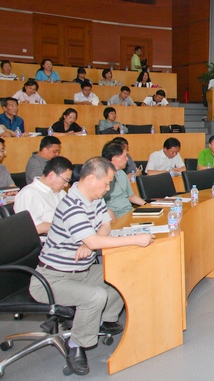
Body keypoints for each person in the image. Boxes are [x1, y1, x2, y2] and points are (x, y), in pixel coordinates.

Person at [28, 157, 154, 376]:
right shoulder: (72, 205)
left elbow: (106, 224)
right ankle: (76, 344)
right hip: (52, 278)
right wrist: (135, 239)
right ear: (90, 179)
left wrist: (90, 241)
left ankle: (104, 320)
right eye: (106, 183)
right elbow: (96, 241)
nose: (108, 188)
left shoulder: (94, 199)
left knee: (123, 273)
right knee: (95, 296)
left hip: (81, 270)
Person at [14, 156, 73, 235]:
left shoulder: (60, 192)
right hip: (46, 239)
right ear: (51, 175)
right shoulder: (29, 194)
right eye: (65, 180)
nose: (66, 185)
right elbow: (32, 227)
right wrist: (63, 226)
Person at [102, 140, 146, 219]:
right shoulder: (101, 178)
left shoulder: (122, 173)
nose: (127, 159)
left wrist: (146, 205)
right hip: (114, 216)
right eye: (125, 156)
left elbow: (131, 196)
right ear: (115, 159)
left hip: (129, 212)